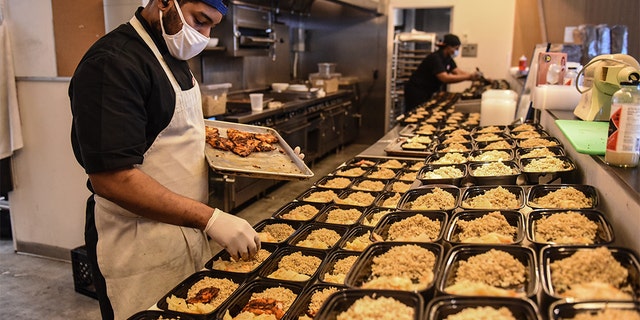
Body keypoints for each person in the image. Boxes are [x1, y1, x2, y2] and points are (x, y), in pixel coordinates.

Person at [69, 0, 282, 318]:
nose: (204, 35)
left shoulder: (172, 52)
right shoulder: (112, 64)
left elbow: (179, 137)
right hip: (137, 246)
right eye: (199, 20)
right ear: (165, 2)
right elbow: (112, 179)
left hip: (184, 230)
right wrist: (211, 219)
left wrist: (261, 157)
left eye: (212, 26)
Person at [404, 33, 482, 109]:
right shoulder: (435, 58)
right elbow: (444, 78)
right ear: (448, 47)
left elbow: (458, 72)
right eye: (456, 48)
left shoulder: (448, 58)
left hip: (428, 91)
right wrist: (469, 76)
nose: (457, 51)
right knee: (415, 112)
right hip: (416, 90)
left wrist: (475, 77)